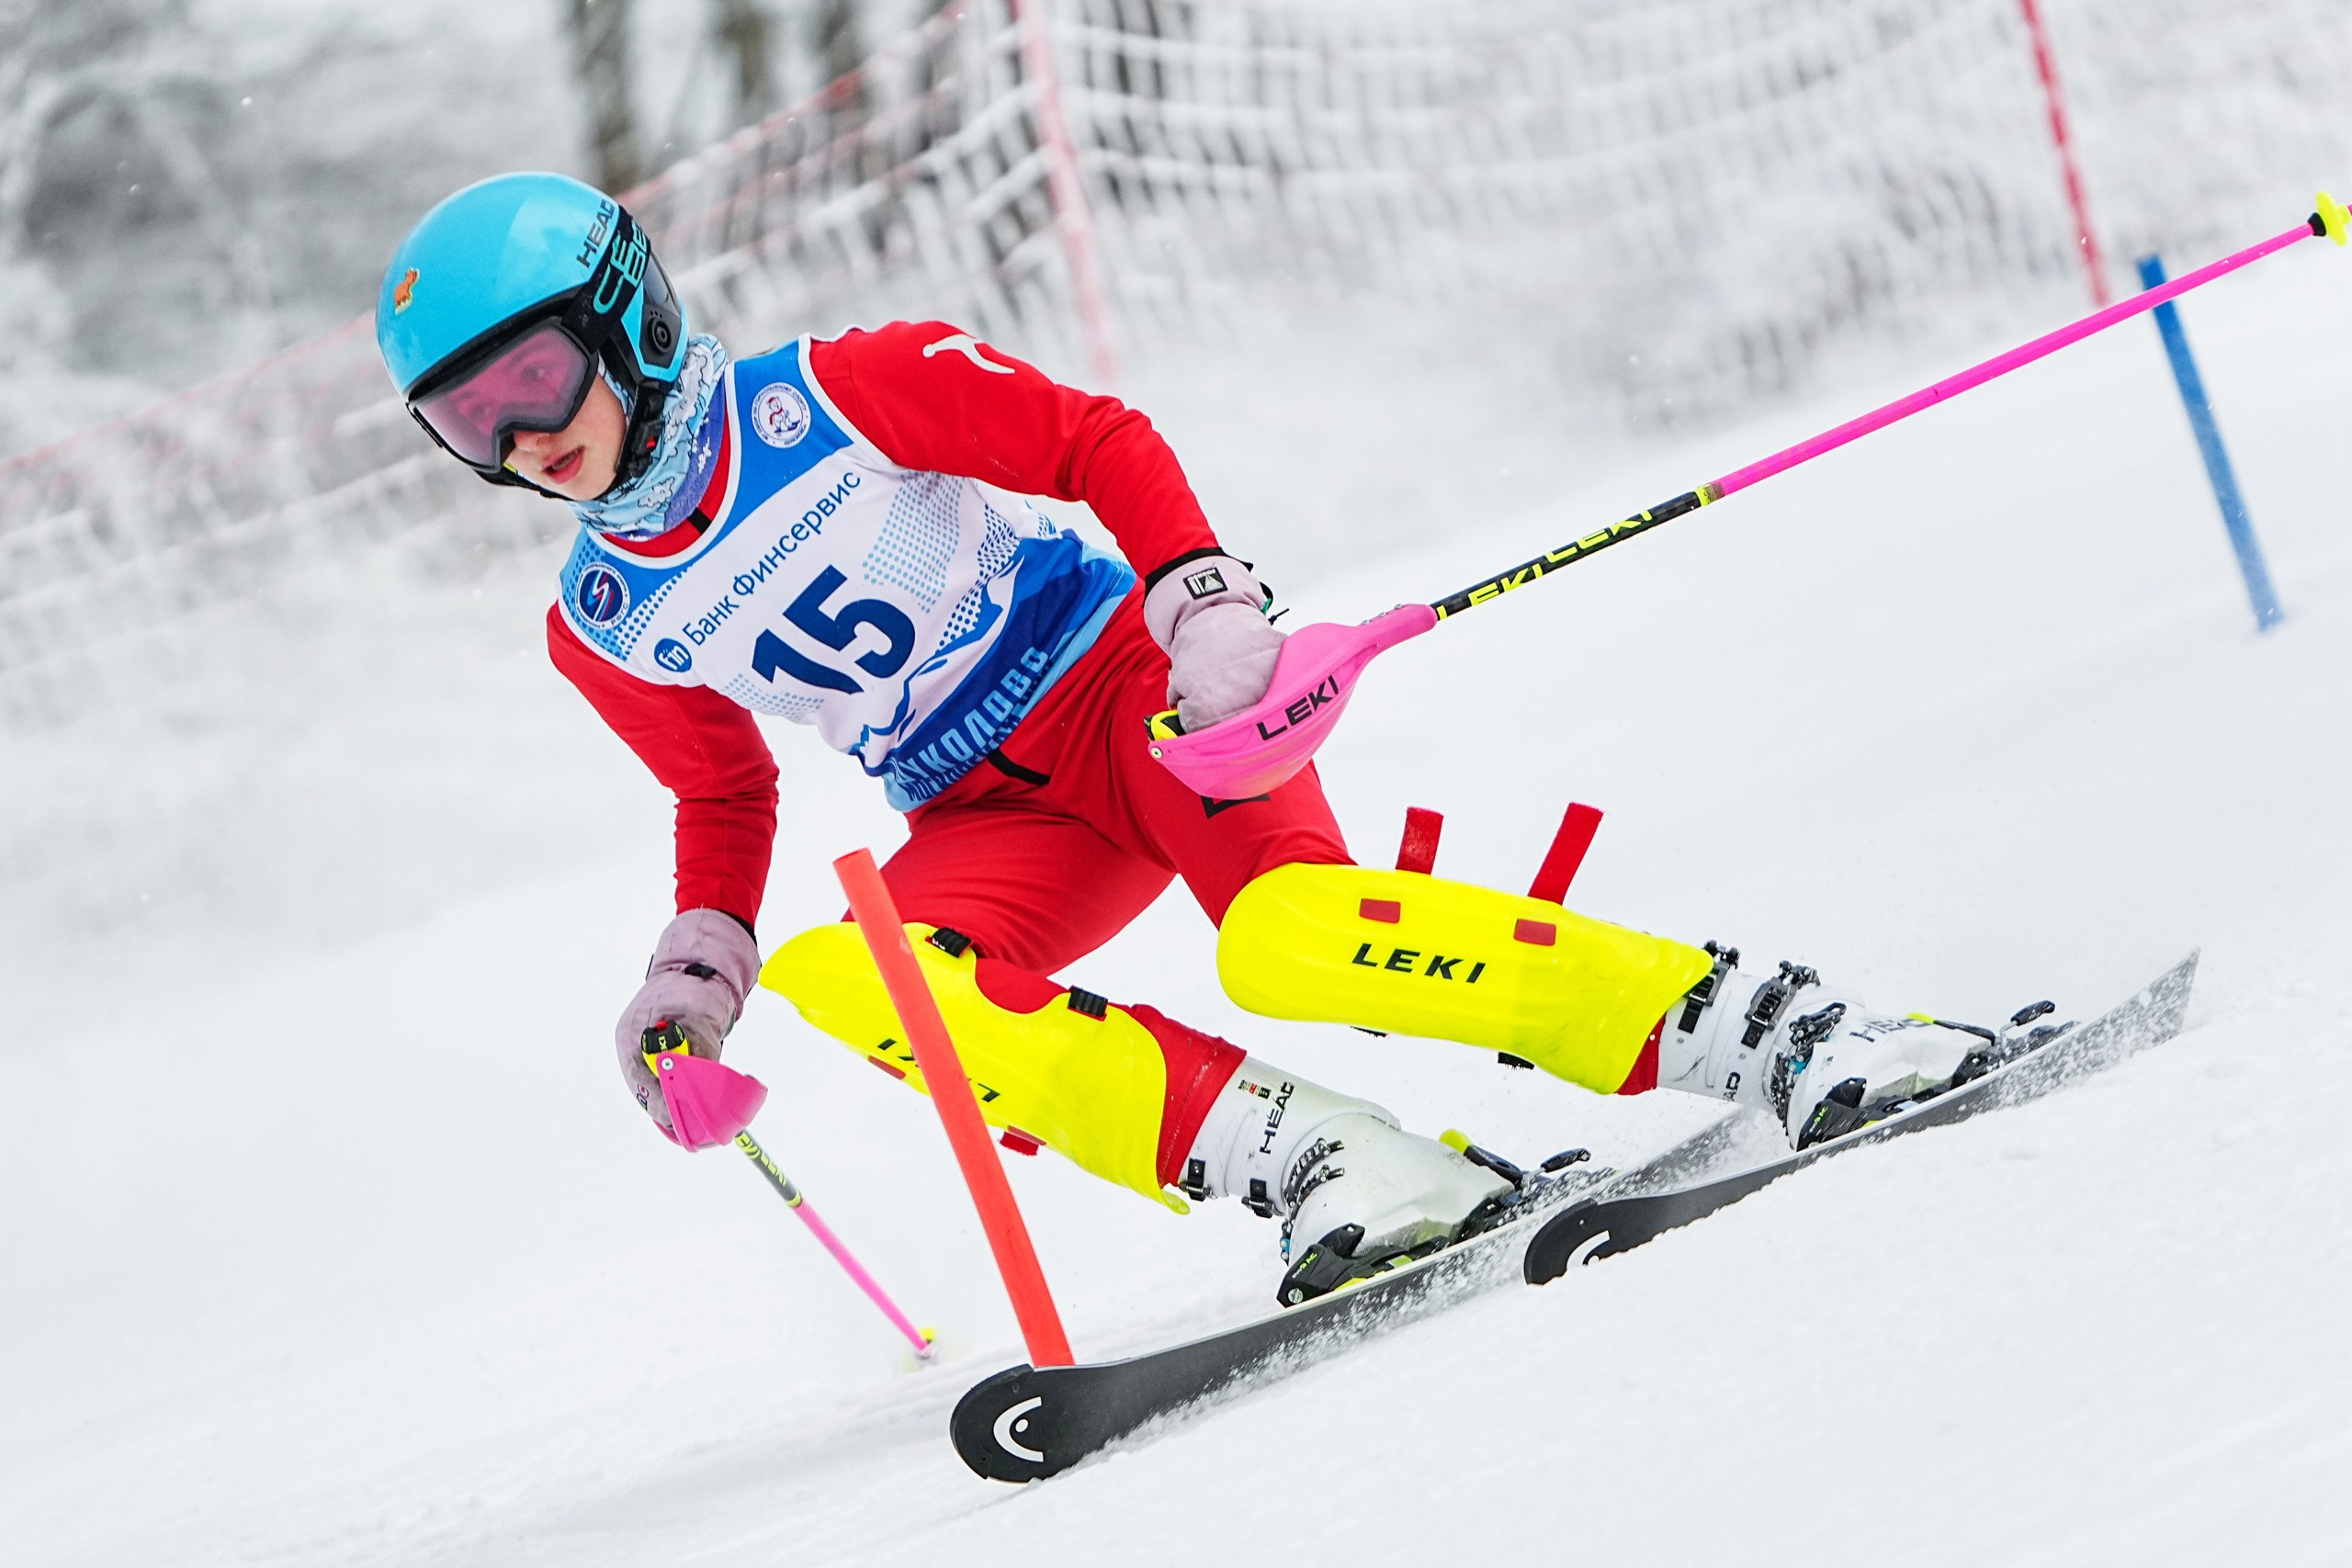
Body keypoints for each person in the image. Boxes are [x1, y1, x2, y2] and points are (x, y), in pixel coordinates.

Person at [375, 174, 2013, 1303]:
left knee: (1293, 940)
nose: (521, 437)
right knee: (852, 975)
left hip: (1132, 702)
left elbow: (1093, 437)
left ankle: (1796, 1034)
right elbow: (723, 787)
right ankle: (1341, 1170)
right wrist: (696, 966)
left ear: (629, 317)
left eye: (533, 373)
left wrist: (1205, 603)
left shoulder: (836, 396)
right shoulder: (598, 618)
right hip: (984, 810)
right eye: (466, 420)